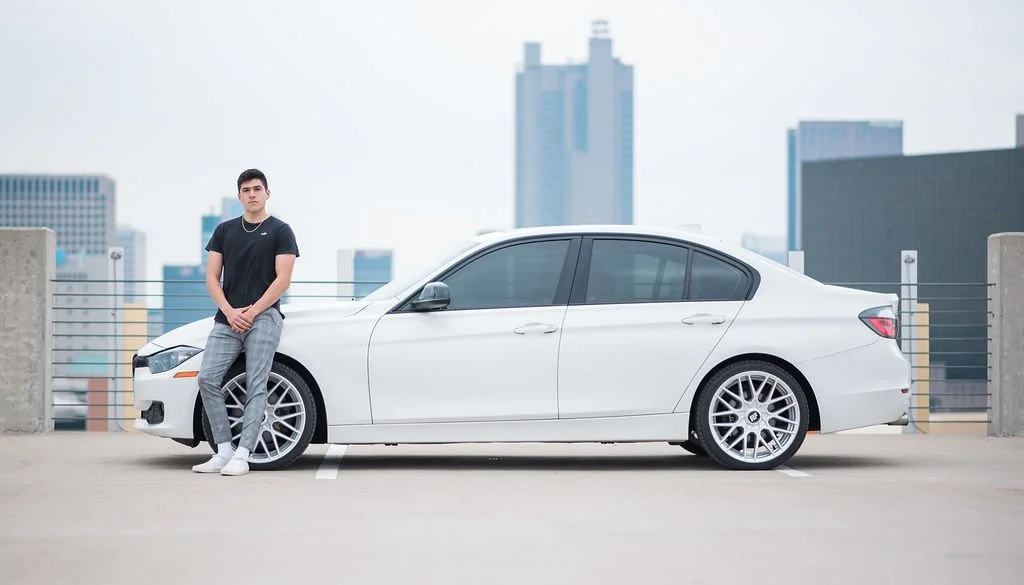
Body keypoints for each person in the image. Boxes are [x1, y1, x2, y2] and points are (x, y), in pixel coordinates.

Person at [191, 168, 299, 476]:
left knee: (256, 382)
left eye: (257, 189)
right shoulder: (224, 231)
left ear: (267, 193)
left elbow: (283, 279)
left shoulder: (281, 230)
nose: (252, 194)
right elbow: (212, 278)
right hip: (227, 318)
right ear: (239, 196)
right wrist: (229, 310)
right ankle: (223, 451)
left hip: (264, 316)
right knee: (207, 379)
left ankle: (243, 454)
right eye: (246, 190)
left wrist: (251, 312)